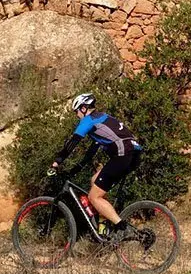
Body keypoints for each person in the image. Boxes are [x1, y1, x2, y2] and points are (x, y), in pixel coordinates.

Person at [52, 93, 142, 241]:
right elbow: (91, 152)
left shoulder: (88, 120)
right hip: (133, 153)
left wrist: (56, 163)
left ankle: (122, 228)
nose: (77, 116)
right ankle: (103, 227)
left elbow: (72, 143)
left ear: (83, 108)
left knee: (93, 197)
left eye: (77, 112)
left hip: (122, 154)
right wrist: (75, 169)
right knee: (94, 180)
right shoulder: (104, 119)